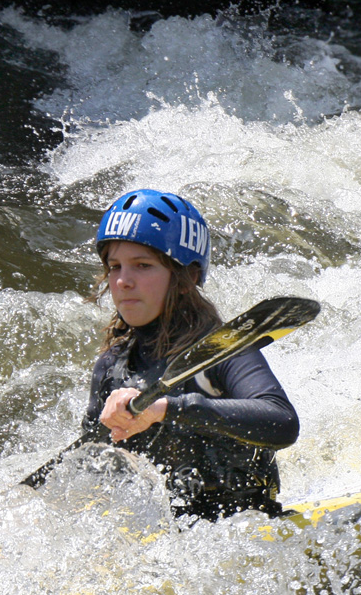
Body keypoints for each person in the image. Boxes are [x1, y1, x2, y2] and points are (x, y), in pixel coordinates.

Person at [82, 188, 300, 521]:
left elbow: (283, 421)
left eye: (142, 265)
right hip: (165, 540)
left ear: (188, 278)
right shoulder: (112, 368)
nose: (123, 281)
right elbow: (90, 470)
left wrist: (166, 408)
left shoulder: (223, 351)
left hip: (247, 523)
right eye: (114, 266)